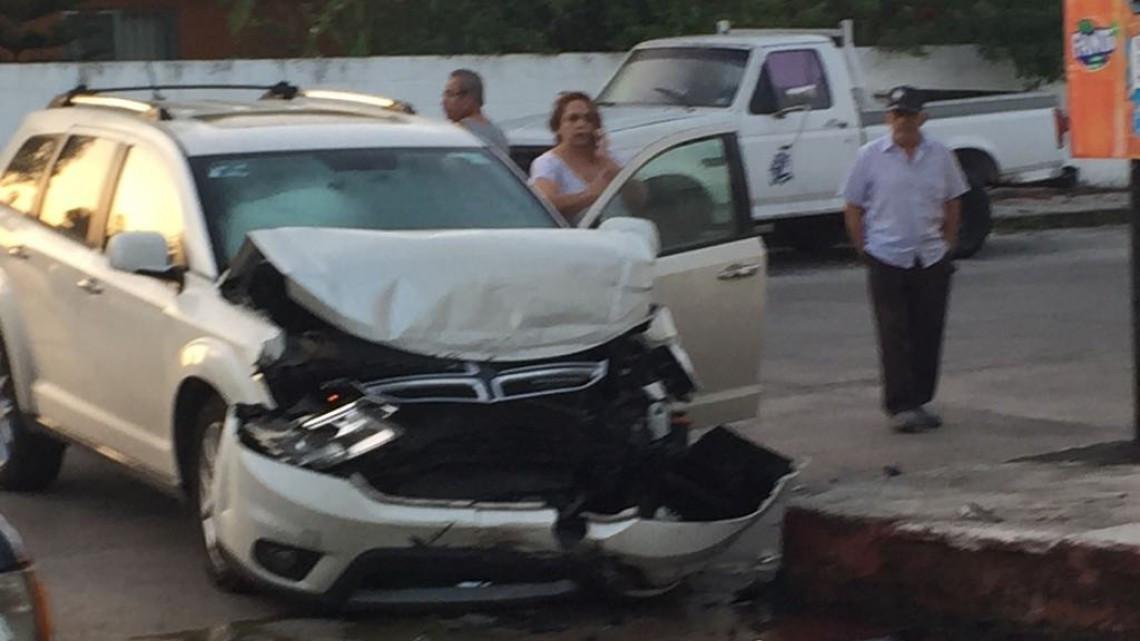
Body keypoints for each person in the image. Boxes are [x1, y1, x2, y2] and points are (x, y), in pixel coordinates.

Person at [840, 86, 969, 434]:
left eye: (910, 115)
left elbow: (953, 200)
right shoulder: (870, 156)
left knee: (928, 329)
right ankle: (900, 405)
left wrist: (947, 242)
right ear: (887, 117)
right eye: (897, 114)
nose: (903, 121)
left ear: (922, 117)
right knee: (894, 332)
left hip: (929, 255)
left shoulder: (940, 154)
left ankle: (922, 400)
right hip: (886, 254)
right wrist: (863, 247)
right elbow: (853, 205)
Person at [529, 91, 621, 224]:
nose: (580, 125)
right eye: (573, 119)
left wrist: (606, 162)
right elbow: (546, 204)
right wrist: (589, 196)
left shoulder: (609, 159)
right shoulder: (547, 163)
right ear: (558, 127)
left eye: (588, 119)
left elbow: (639, 198)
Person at [442, 69, 510, 155]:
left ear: (468, 99)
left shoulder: (456, 134)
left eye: (450, 94)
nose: (443, 101)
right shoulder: (498, 135)